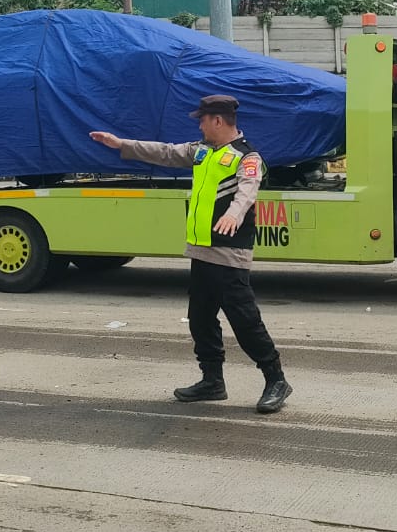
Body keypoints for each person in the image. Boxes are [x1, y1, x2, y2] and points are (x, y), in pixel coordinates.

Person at [89, 95, 292, 414]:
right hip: (201, 251)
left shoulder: (246, 156)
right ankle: (212, 381)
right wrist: (121, 144)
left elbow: (247, 191)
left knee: (245, 321)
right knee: (200, 319)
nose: (199, 126)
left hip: (229, 253)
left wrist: (234, 214)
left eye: (203, 120)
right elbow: (165, 152)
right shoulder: (202, 151)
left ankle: (276, 379)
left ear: (218, 121)